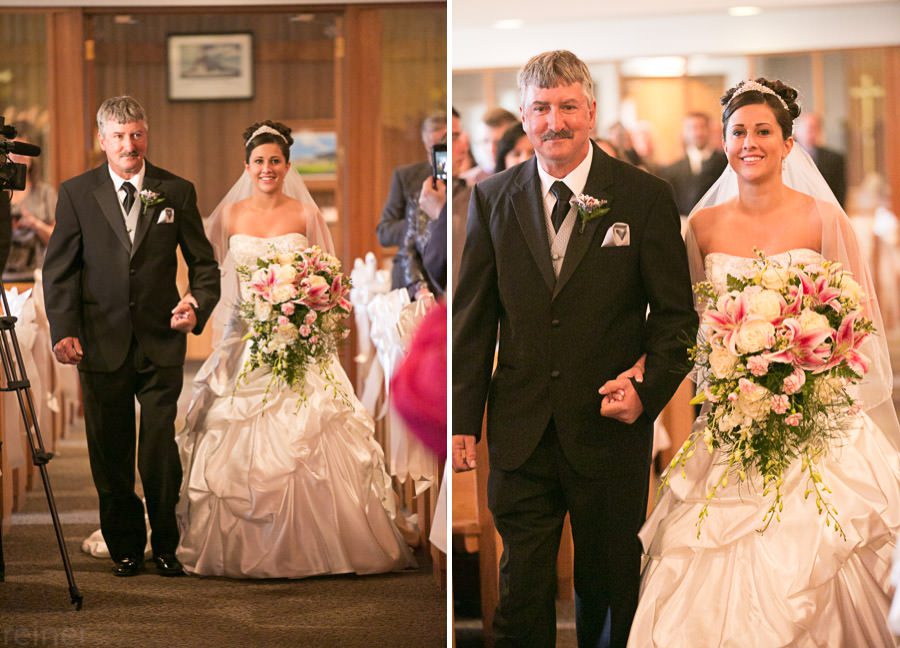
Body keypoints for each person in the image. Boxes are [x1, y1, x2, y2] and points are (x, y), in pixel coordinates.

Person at [629, 78, 900, 647]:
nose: (749, 142)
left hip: (815, 415)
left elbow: (859, 325)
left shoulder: (824, 219)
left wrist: (811, 372)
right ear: (725, 143)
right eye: (738, 132)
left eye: (762, 132)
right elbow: (686, 322)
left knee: (825, 547)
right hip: (733, 414)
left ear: (787, 143)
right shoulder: (701, 227)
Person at [452, 50, 697, 648]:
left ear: (590, 111)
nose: (554, 122)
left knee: (609, 586)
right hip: (521, 427)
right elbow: (474, 320)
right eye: (541, 108)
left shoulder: (643, 197)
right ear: (524, 115)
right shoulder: (492, 199)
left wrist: (645, 392)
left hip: (609, 428)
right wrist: (463, 421)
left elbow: (675, 320)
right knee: (521, 588)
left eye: (567, 107)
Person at [175, 120, 415, 579]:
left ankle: (326, 543)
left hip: (299, 340)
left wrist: (308, 306)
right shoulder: (228, 216)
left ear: (287, 166)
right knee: (230, 427)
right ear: (247, 166)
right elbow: (206, 272)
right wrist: (193, 302)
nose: (267, 169)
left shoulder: (306, 216)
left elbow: (329, 278)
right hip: (245, 337)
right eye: (259, 162)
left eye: (275, 161)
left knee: (312, 437)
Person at [43, 96, 220, 577]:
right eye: (119, 136)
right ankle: (124, 544)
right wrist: (64, 330)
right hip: (99, 342)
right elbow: (59, 271)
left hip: (160, 342)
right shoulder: (77, 193)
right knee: (110, 448)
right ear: (101, 140)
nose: (129, 144)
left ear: (147, 135)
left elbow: (205, 266)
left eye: (137, 134)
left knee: (159, 449)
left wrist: (195, 303)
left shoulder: (175, 191)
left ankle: (166, 543)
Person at [376, 112, 446, 294]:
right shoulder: (407, 177)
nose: (440, 155)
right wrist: (419, 220)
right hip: (411, 276)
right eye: (435, 148)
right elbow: (384, 232)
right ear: (425, 144)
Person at [4, 127, 57, 280]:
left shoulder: (45, 193)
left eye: (24, 152)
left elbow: (58, 240)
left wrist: (34, 224)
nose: (19, 157)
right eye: (15, 151)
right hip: (3, 278)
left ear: (32, 158)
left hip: (37, 276)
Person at [658, 112, 727, 217]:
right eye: (692, 128)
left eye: (702, 127)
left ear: (709, 130)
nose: (698, 133)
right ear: (684, 132)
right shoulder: (671, 171)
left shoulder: (725, 163)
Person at [794, 112, 847, 207]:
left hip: (826, 213)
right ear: (797, 130)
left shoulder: (834, 159)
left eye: (815, 128)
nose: (810, 133)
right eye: (808, 128)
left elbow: (840, 193)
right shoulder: (786, 157)